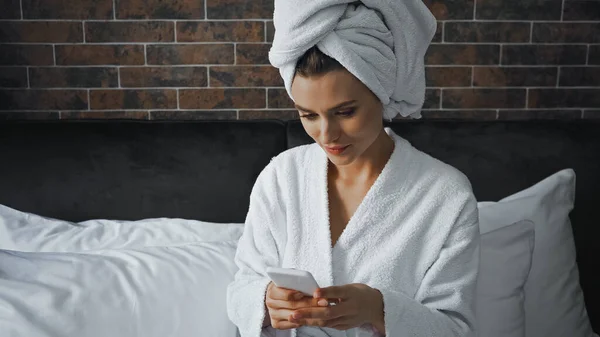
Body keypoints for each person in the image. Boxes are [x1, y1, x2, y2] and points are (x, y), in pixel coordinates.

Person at [226, 1, 480, 337]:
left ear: (381, 93)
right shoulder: (281, 177)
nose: (327, 135)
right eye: (308, 115)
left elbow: (455, 329)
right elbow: (242, 285)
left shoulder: (446, 195)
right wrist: (267, 301)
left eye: (345, 112)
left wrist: (379, 310)